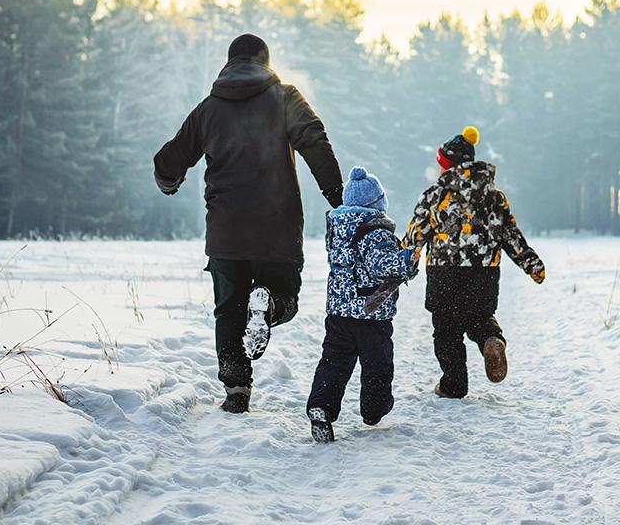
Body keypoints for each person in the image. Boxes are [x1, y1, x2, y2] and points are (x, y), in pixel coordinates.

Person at [153, 34, 343, 414]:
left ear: (229, 63)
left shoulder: (209, 109)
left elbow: (167, 161)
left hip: (226, 233)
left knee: (228, 309)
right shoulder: (286, 96)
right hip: (278, 230)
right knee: (285, 296)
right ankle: (269, 305)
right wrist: (337, 197)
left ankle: (236, 388)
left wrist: (169, 184)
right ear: (265, 62)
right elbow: (315, 141)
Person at [402, 126, 546, 399]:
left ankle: (454, 384)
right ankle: (491, 341)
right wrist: (531, 264)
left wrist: (400, 267)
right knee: (479, 319)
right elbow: (511, 236)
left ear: (448, 165)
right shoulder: (494, 198)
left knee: (446, 330)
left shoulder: (435, 196)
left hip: (444, 276)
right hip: (484, 275)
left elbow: (414, 236)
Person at [305, 166, 419, 443]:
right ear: (376, 202)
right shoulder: (375, 230)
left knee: (334, 362)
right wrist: (406, 260)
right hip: (371, 314)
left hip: (339, 313)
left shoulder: (339, 228)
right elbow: (380, 265)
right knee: (377, 365)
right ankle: (374, 410)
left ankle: (322, 405)